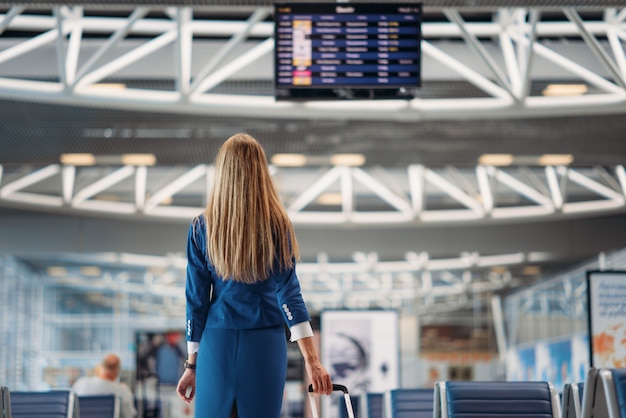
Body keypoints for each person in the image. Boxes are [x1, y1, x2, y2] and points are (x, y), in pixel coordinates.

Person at [176, 133, 332, 418]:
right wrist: (312, 360)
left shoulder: (202, 228)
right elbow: (289, 292)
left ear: (222, 172)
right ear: (261, 172)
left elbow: (196, 300)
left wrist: (191, 365)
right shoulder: (277, 226)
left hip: (216, 343)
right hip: (265, 342)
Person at [72, 353, 137, 418]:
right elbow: (129, 415)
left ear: (101, 367)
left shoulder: (81, 384)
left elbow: (72, 411)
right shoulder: (122, 390)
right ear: (116, 370)